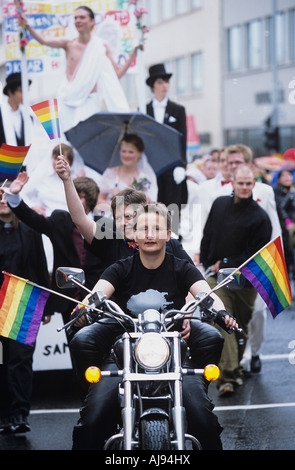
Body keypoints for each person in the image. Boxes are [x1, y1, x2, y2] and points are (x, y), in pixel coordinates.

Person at [70, 203, 238, 450]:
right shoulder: (120, 268)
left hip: (174, 353)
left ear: (168, 235)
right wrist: (82, 310)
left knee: (205, 421)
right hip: (125, 354)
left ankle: (201, 390)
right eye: (144, 229)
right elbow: (96, 294)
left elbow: (206, 293)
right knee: (91, 422)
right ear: (134, 234)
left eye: (157, 229)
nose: (150, 234)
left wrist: (222, 312)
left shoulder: (181, 267)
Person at [200, 166, 272, 395]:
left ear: (253, 184)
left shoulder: (260, 217)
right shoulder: (219, 203)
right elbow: (208, 233)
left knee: (240, 327)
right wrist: (206, 260)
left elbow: (256, 253)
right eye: (240, 183)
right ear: (232, 182)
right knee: (224, 320)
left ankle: (234, 369)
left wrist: (226, 260)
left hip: (245, 282)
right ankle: (228, 378)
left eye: (248, 184)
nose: (244, 187)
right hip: (217, 279)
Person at [3, 171, 104, 329]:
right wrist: (14, 197)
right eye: (72, 194)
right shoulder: (60, 220)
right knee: (76, 350)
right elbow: (31, 218)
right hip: (69, 301)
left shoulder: (104, 225)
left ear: (90, 200)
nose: (74, 198)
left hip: (99, 299)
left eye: (80, 195)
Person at [20, 6, 130, 132]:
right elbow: (44, 41)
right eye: (76, 18)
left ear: (92, 21)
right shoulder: (69, 44)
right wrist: (27, 26)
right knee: (67, 136)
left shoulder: (100, 46)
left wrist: (133, 56)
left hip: (90, 99)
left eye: (82, 17)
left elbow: (116, 75)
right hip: (68, 99)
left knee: (87, 134)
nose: (78, 20)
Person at [0, 181, 50, 434]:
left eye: (5, 195)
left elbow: (41, 267)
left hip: (25, 299)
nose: (2, 200)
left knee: (20, 360)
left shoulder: (31, 229)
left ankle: (19, 414)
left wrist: (47, 307)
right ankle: (3, 414)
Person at [146, 64, 188, 232]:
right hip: (151, 166)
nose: (165, 86)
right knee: (152, 205)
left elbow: (182, 139)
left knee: (172, 208)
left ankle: (173, 239)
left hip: (171, 165)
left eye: (167, 82)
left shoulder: (177, 110)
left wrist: (181, 165)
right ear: (153, 86)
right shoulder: (144, 109)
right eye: (161, 82)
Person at [98, 134, 158, 210]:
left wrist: (122, 200)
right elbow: (99, 201)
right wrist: (112, 203)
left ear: (139, 154)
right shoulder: (110, 173)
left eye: (131, 152)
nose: (126, 155)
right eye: (124, 151)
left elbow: (149, 204)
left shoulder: (144, 177)